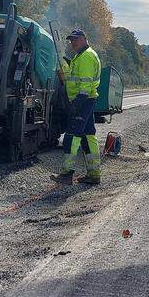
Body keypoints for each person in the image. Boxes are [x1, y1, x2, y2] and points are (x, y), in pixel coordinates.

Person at [54, 29, 102, 185]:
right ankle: (94, 174)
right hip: (87, 100)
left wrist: (76, 104)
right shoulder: (81, 56)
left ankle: (67, 174)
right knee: (88, 137)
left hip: (83, 100)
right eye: (70, 40)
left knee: (71, 137)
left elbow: (85, 84)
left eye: (75, 40)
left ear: (83, 39)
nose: (72, 43)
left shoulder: (87, 56)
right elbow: (77, 78)